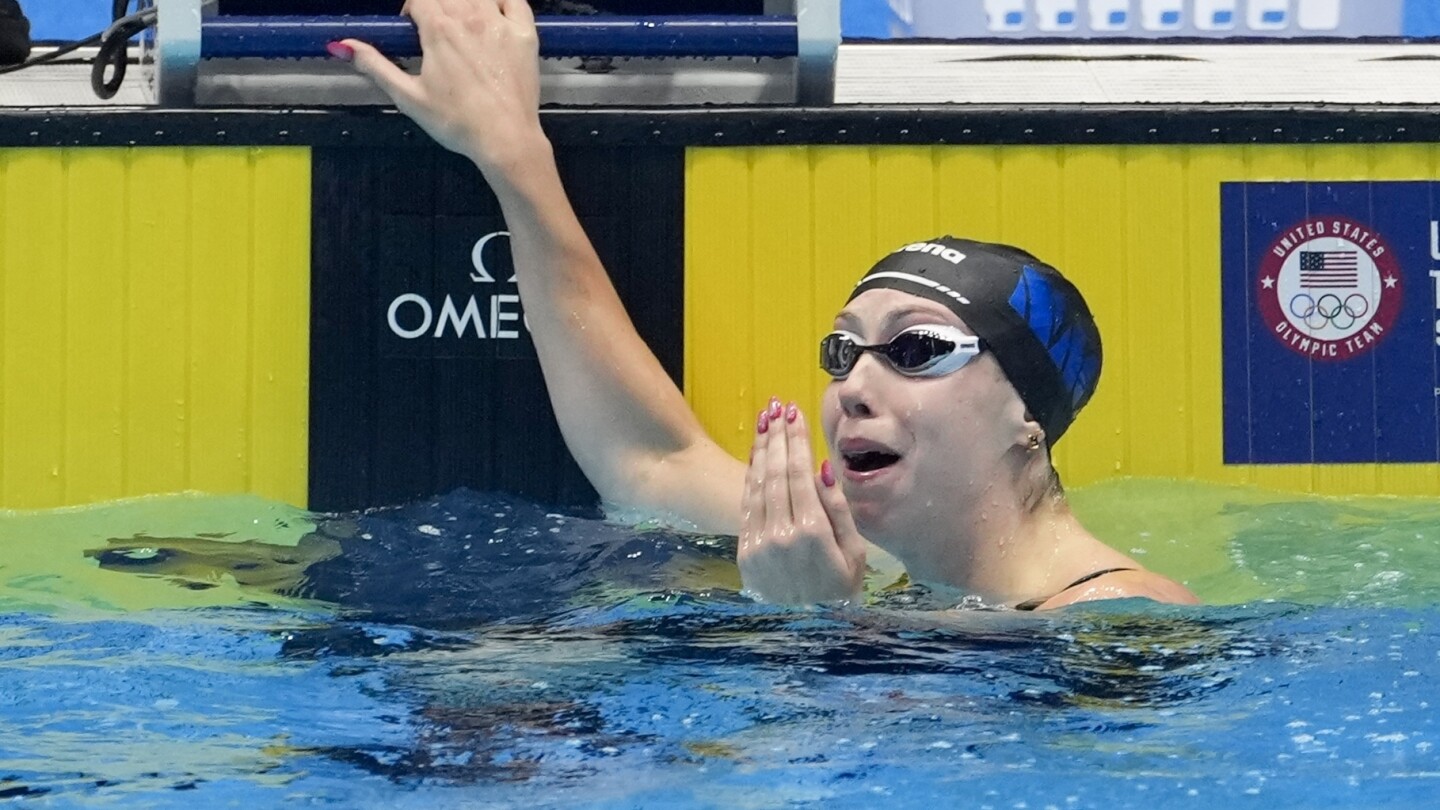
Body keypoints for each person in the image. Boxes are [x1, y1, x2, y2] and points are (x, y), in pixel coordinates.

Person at [330, 0, 1199, 611]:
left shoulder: (1118, 618)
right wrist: (511, 151)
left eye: (915, 349)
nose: (854, 384)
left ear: (1028, 419)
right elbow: (648, 459)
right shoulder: (876, 564)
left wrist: (819, 627)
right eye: (843, 351)